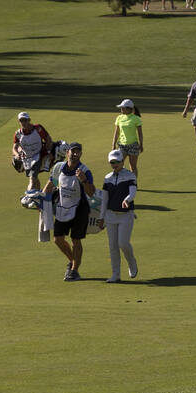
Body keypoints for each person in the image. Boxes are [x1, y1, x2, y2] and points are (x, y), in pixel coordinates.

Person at [43, 142, 95, 281]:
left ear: (81, 154)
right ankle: (73, 261)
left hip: (80, 209)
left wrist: (84, 180)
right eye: (73, 151)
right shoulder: (58, 167)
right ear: (67, 153)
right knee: (58, 239)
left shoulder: (85, 171)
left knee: (75, 240)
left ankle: (74, 270)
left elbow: (91, 193)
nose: (75, 154)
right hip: (62, 207)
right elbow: (49, 186)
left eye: (78, 152)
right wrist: (41, 200)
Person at [97, 149, 138, 282]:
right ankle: (116, 274)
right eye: (112, 162)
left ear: (122, 161)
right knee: (113, 246)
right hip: (110, 216)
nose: (114, 164)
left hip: (126, 215)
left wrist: (127, 200)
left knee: (123, 243)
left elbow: (132, 192)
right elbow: (105, 200)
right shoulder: (107, 178)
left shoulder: (130, 175)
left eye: (116, 162)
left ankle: (131, 262)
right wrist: (101, 217)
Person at [11, 111, 52, 192]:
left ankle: (28, 195)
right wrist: (16, 155)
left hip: (38, 156)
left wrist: (48, 152)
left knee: (32, 178)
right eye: (21, 120)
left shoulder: (38, 128)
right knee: (34, 178)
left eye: (25, 120)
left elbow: (48, 138)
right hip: (27, 159)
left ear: (29, 120)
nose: (23, 122)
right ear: (19, 122)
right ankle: (38, 196)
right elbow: (14, 148)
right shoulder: (18, 134)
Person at [111, 98, 144, 180]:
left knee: (133, 166)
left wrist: (141, 144)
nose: (121, 109)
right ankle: (118, 182)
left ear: (128, 109)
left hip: (133, 145)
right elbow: (117, 132)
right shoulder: (119, 118)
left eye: (123, 108)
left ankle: (134, 183)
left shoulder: (136, 119)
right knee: (118, 165)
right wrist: (113, 144)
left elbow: (140, 133)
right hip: (122, 145)